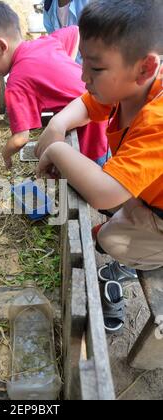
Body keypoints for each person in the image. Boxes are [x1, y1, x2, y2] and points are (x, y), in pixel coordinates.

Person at [36, 0, 163, 332]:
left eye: (95, 68)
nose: (82, 75)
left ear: (145, 68)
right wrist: (56, 126)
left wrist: (58, 150)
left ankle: (122, 268)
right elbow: (86, 103)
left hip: (159, 214)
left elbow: (105, 194)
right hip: (149, 193)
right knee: (108, 224)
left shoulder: (159, 119)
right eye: (84, 62)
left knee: (109, 240)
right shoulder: (130, 86)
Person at [0, 0, 108, 170]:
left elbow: (20, 139)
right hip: (104, 104)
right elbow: (74, 32)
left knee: (93, 175)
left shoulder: (16, 83)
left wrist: (4, 156)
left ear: (1, 46)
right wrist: (64, 71)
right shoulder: (44, 42)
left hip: (92, 128)